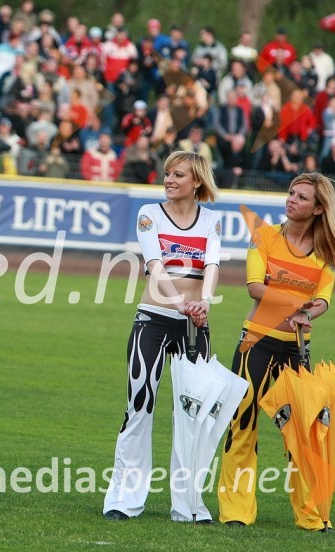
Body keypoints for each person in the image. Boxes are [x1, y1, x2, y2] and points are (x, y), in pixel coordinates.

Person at [218, 173, 335, 530]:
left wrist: (307, 312)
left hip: (295, 350)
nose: (291, 199)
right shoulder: (264, 236)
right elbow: (254, 287)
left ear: (319, 208)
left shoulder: (326, 253)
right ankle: (236, 511)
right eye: (291, 192)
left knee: (303, 435)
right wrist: (297, 303)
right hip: (255, 343)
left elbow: (323, 300)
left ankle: (310, 516)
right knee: (242, 425)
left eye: (302, 197)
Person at [104, 151, 221, 523]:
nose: (169, 180)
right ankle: (124, 499)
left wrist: (202, 303)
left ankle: (188, 505)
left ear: (197, 181)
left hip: (194, 326)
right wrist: (179, 302)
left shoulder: (213, 220)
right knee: (140, 405)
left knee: (193, 415)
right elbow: (154, 265)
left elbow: (212, 264)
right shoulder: (149, 215)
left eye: (178, 174)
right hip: (153, 320)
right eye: (167, 173)